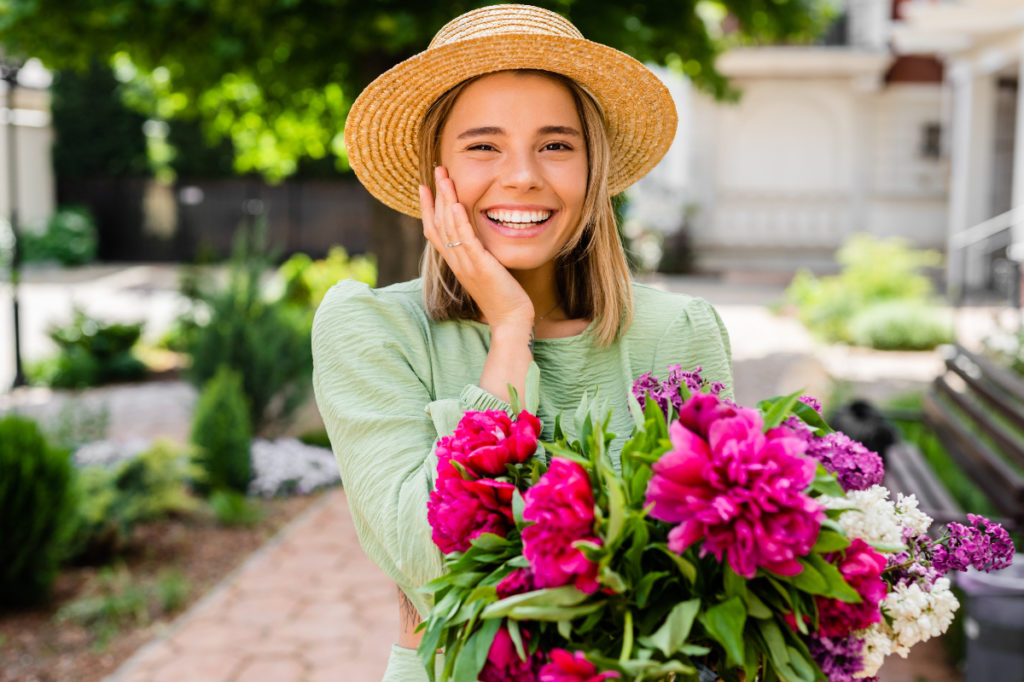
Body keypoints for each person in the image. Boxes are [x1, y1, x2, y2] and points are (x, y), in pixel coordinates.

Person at [311, 5, 733, 680]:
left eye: (556, 145)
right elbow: (428, 561)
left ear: (592, 170)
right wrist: (510, 331)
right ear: (435, 173)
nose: (523, 176)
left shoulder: (676, 333)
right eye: (483, 146)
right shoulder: (373, 333)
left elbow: (718, 574)